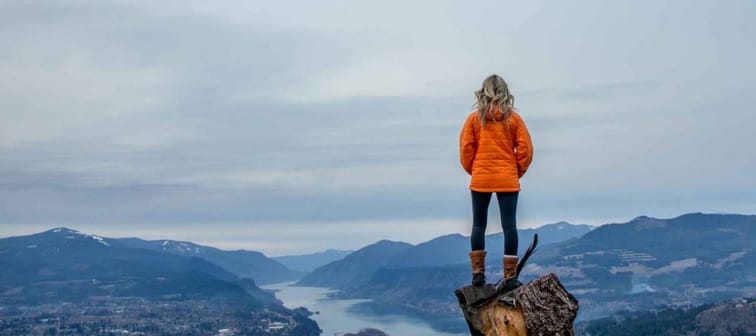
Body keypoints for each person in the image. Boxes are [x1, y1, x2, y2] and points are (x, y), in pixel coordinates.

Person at [459, 74, 533, 288]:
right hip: (507, 178)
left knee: (478, 225)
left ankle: (478, 274)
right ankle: (510, 277)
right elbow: (525, 149)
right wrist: (516, 170)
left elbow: (466, 149)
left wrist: (474, 170)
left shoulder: (474, 119)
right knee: (509, 226)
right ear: (505, 93)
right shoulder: (514, 119)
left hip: (481, 177)